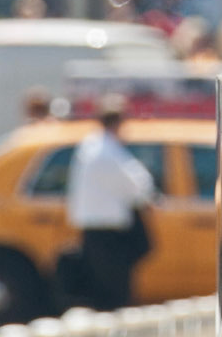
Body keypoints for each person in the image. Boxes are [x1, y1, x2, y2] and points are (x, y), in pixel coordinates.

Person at [64, 96, 155, 312]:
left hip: (90, 226)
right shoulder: (108, 150)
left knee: (99, 285)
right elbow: (137, 184)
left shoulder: (90, 146)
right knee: (114, 290)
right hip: (110, 230)